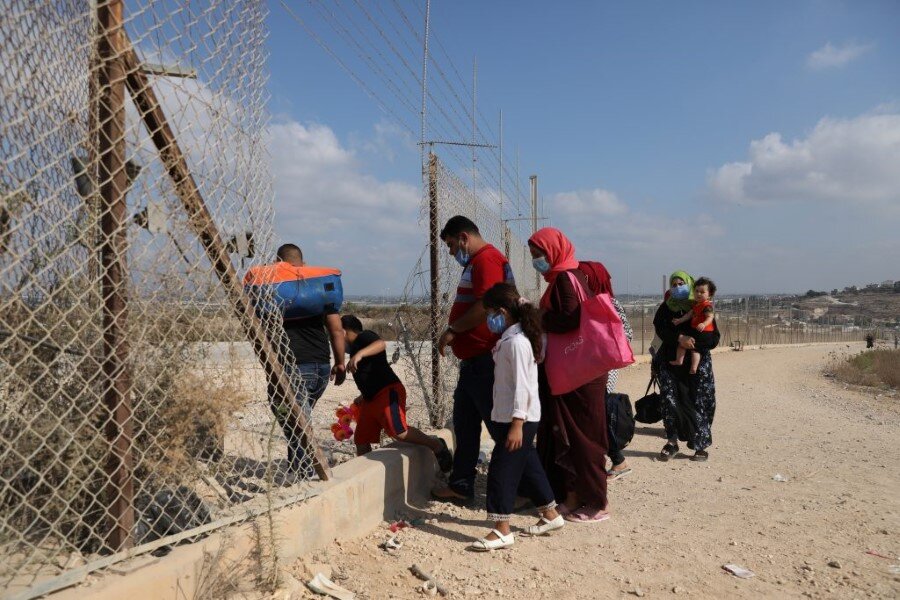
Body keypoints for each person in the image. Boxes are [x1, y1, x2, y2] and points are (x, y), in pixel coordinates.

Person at [469, 283, 564, 551]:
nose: (489, 319)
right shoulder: (512, 340)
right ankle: (551, 514)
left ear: (502, 311)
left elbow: (524, 385)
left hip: (517, 419)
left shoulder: (517, 343)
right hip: (508, 416)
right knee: (527, 464)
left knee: (502, 470)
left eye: (489, 313)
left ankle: (501, 530)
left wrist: (517, 424)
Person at [431, 216, 515, 505]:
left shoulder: (486, 261)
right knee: (465, 425)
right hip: (473, 361)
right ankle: (461, 483)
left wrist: (453, 330)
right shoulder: (476, 262)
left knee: (500, 428)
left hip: (485, 359)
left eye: (453, 246)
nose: (453, 253)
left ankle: (527, 489)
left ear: (464, 237)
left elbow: (486, 304)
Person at [529, 227, 610, 523]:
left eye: (539, 254)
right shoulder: (564, 278)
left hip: (581, 374)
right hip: (573, 372)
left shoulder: (565, 278)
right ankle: (573, 496)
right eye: (534, 256)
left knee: (584, 438)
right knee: (568, 436)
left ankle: (597, 502)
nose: (536, 261)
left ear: (554, 251)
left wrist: (540, 318)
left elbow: (572, 318)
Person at [341, 315, 453, 471]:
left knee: (398, 431)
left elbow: (380, 344)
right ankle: (364, 471)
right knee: (361, 438)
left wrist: (360, 354)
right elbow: (370, 372)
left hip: (388, 391)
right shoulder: (355, 348)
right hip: (370, 398)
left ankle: (437, 445)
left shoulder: (364, 337)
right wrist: (362, 395)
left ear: (343, 331)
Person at [272, 243, 346, 478]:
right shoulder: (319, 287)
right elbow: (336, 330)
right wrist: (340, 363)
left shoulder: (275, 289)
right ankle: (298, 467)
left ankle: (303, 472)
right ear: (303, 263)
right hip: (321, 367)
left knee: (292, 416)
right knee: (300, 416)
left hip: (293, 366)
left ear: (278, 263)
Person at [653, 270, 719, 462]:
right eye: (674, 284)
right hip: (671, 363)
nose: (677, 287)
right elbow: (662, 331)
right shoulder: (665, 309)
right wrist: (679, 339)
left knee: (701, 401)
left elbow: (713, 338)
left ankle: (700, 445)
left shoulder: (701, 307)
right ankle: (671, 442)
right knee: (670, 402)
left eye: (681, 283)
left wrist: (693, 343)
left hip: (697, 367)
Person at [670, 277, 718, 374]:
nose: (698, 294)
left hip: (703, 332)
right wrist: (679, 320)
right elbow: (689, 315)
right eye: (696, 291)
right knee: (684, 345)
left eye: (702, 292)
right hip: (697, 330)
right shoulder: (696, 305)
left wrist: (703, 324)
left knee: (694, 349)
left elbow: (710, 317)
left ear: (710, 294)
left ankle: (693, 367)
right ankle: (680, 361)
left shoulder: (707, 306)